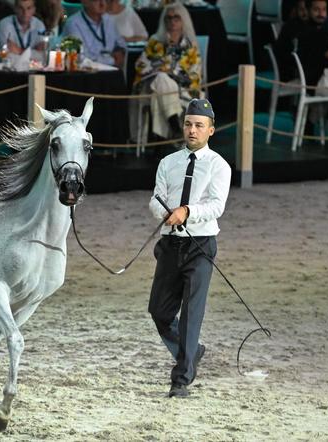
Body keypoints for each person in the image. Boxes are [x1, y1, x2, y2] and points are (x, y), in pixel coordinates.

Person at [148, 98, 231, 399]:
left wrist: (187, 211)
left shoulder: (218, 166)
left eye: (198, 125)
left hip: (201, 246)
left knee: (191, 314)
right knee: (158, 311)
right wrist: (164, 212)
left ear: (211, 130)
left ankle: (180, 380)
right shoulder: (167, 163)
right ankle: (192, 351)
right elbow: (155, 199)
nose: (192, 130)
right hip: (170, 244)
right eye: (188, 124)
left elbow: (216, 206)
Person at [130, 1, 201, 143]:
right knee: (161, 78)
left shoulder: (190, 45)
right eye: (168, 18)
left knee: (160, 93)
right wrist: (160, 69)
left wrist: (172, 74)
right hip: (150, 84)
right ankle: (175, 127)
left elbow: (195, 73)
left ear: (183, 20)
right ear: (164, 21)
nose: (172, 22)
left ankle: (161, 142)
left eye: (176, 18)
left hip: (181, 88)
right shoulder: (155, 41)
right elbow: (140, 65)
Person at [61, 0, 126, 67]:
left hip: (111, 71)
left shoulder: (109, 20)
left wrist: (120, 50)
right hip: (86, 74)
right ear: (85, 2)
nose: (102, 4)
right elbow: (80, 58)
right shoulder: (73, 24)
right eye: (96, 0)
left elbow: (121, 44)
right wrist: (112, 60)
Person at [274, 0, 308, 81]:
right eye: (301, 9)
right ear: (296, 10)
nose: (305, 12)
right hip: (290, 72)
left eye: (306, 9)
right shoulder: (292, 26)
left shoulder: (310, 26)